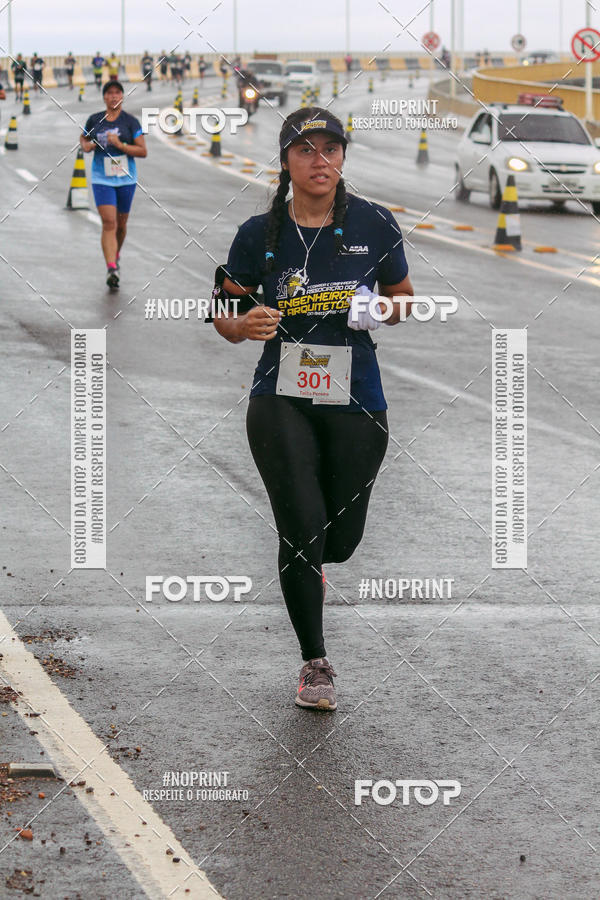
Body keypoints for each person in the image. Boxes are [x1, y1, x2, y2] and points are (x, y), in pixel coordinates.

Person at [211, 108, 413, 710]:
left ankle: (302, 561)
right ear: (286, 162)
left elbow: (405, 298)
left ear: (343, 158)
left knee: (339, 540)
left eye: (330, 149)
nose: (319, 160)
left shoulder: (376, 223)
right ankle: (315, 662)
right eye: (306, 150)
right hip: (280, 397)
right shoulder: (257, 233)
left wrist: (378, 310)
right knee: (301, 527)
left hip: (357, 399)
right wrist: (241, 324)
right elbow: (221, 313)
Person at [80, 81, 147, 290]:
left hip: (126, 179)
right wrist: (88, 146)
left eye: (117, 93)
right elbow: (83, 139)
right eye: (109, 93)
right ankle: (111, 268)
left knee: (121, 224)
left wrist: (120, 145)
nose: (114, 96)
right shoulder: (94, 120)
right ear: (104, 97)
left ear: (122, 96)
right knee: (109, 223)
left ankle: (115, 254)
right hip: (102, 178)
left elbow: (142, 151)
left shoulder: (131, 122)